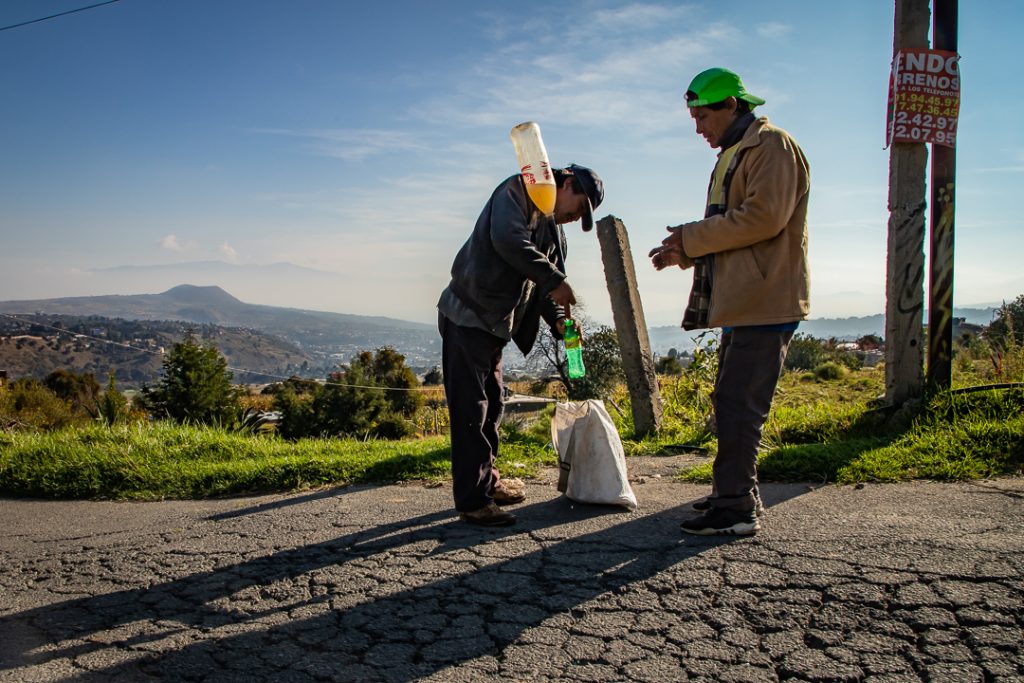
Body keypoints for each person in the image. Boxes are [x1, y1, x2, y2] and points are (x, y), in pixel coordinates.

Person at [649, 67, 810, 536]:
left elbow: (763, 218)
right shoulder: (735, 153)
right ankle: (731, 491)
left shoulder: (773, 147)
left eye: (703, 116)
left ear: (732, 106)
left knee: (740, 403)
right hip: (743, 300)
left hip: (766, 299)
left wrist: (692, 237)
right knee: (730, 398)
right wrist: (686, 252)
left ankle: (737, 507)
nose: (698, 127)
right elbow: (735, 227)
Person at [438, 164, 604, 526]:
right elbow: (509, 242)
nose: (576, 217)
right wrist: (555, 279)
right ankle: (473, 501)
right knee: (472, 412)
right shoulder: (517, 191)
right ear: (568, 183)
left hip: (493, 326)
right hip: (467, 315)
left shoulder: (553, 232)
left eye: (582, 216)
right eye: (579, 207)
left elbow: (543, 287)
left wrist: (558, 322)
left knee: (493, 406)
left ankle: (487, 483)